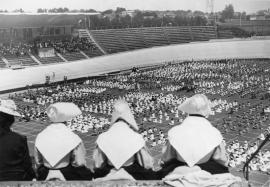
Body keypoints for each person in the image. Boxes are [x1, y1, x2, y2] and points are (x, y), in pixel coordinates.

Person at [159, 94, 229, 178]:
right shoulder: (214, 133)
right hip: (207, 171)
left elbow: (166, 158)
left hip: (178, 170)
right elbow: (221, 160)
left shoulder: (174, 132)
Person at [92, 100, 159, 180]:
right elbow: (146, 162)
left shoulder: (102, 137)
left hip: (109, 171)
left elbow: (97, 163)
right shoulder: (136, 136)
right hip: (132, 172)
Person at [34, 102, 93, 181]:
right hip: (67, 173)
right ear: (66, 120)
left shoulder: (40, 136)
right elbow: (79, 162)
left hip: (45, 172)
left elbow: (38, 161)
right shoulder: (73, 137)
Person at [0, 99, 35, 181]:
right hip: (17, 179)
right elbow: (27, 165)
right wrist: (33, 177)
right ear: (10, 120)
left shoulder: (18, 138)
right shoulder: (19, 139)